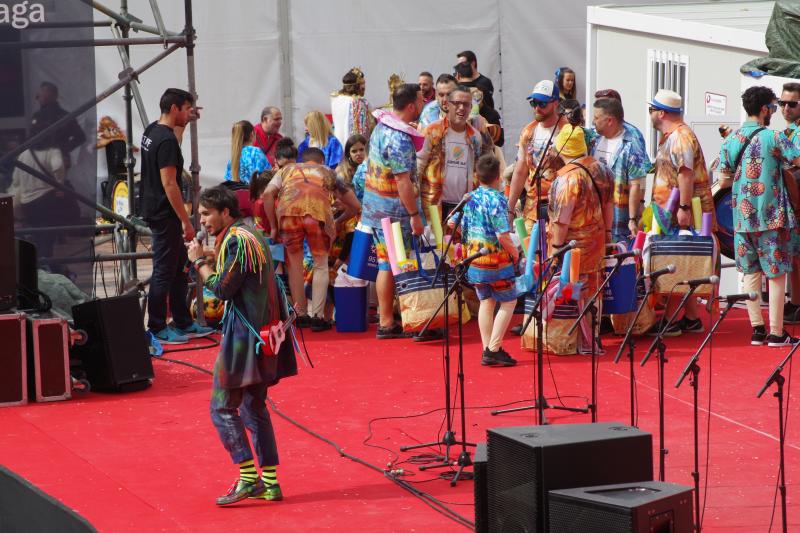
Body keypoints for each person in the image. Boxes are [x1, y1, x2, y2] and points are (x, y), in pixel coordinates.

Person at [187, 186, 297, 506]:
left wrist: (198, 262)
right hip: (265, 334)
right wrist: (211, 257)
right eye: (200, 214)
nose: (203, 220)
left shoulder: (236, 241)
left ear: (226, 212)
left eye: (207, 213)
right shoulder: (252, 234)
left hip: (245, 338)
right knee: (253, 406)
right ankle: (271, 484)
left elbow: (222, 289)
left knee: (222, 407)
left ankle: (249, 478)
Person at [717, 86, 800, 347]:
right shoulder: (774, 137)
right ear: (765, 109)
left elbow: (723, 179)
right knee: (776, 273)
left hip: (742, 217)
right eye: (774, 107)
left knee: (750, 271)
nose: (775, 112)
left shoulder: (730, 140)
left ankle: (757, 330)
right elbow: (796, 160)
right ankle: (776, 332)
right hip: (772, 214)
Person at [139, 88, 212, 344]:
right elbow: (170, 184)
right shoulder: (166, 140)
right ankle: (157, 325)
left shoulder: (153, 130)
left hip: (156, 208)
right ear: (174, 109)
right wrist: (185, 221)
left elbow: (174, 143)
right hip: (165, 213)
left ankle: (182, 321)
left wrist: (188, 121)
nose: (188, 113)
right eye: (185, 109)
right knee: (164, 271)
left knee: (181, 267)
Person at [263, 147, 359, 332]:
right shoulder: (328, 172)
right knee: (321, 264)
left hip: (288, 214)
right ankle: (318, 316)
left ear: (302, 160)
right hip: (318, 214)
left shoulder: (286, 170)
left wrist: (273, 226)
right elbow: (355, 205)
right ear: (321, 161)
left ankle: (301, 314)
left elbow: (267, 194)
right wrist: (338, 221)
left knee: (294, 265)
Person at [648, 89, 715, 336]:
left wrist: (684, 208)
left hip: (680, 211)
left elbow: (685, 174)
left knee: (676, 261)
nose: (651, 115)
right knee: (683, 259)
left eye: (652, 110)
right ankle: (691, 317)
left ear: (662, 113)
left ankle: (671, 320)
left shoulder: (681, 137)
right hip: (670, 210)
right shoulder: (672, 136)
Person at [360, 83, 425, 339]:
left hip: (375, 208)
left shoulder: (381, 127)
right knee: (394, 264)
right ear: (410, 105)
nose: (422, 105)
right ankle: (398, 320)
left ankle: (387, 318)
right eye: (420, 101)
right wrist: (415, 214)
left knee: (386, 264)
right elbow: (402, 180)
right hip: (395, 211)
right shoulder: (399, 137)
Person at [547, 124, 613, 348]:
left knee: (573, 288)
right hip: (597, 239)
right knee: (595, 289)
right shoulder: (601, 169)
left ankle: (573, 340)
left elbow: (561, 219)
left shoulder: (567, 179)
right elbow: (609, 205)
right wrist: (608, 233)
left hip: (573, 245)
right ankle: (592, 338)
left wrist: (556, 246)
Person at [461, 154, 519, 366]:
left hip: (475, 258)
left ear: (477, 176)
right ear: (498, 178)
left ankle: (488, 349)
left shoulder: (470, 198)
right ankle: (493, 347)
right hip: (496, 259)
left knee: (486, 301)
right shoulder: (497, 199)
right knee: (509, 300)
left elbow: (459, 227)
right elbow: (503, 234)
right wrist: (515, 252)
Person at [508, 79, 569, 228]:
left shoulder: (567, 130)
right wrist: (510, 209)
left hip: (560, 205)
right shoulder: (528, 131)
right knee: (529, 249)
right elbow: (520, 171)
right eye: (533, 103)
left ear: (555, 103)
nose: (536, 108)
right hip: (532, 206)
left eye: (542, 104)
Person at [590, 97, 650, 243]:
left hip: (618, 223)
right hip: (593, 219)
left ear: (610, 120)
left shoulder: (630, 144)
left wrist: (632, 218)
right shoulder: (593, 138)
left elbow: (636, 184)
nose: (593, 121)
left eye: (597, 118)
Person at [418, 85, 483, 220]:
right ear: (447, 105)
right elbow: (418, 166)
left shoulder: (475, 136)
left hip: (464, 206)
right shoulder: (432, 131)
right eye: (457, 103)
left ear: (471, 108)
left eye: (466, 104)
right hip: (434, 206)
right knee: (437, 242)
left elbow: (479, 171)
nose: (461, 108)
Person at [10, 115, 66, 259]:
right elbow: (58, 166)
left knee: (37, 237)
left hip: (28, 203)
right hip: (47, 201)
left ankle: (40, 268)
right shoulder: (52, 151)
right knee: (48, 238)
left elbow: (16, 181)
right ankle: (46, 265)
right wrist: (59, 184)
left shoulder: (23, 155)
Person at [779, 82, 800, 323]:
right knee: (793, 257)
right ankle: (794, 301)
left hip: (797, 204)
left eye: (792, 104)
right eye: (782, 103)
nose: (786, 108)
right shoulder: (789, 132)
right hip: (792, 204)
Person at [31, 81, 86, 170]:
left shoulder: (64, 117)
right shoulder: (37, 116)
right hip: (38, 160)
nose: (38, 99)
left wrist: (61, 149)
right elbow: (32, 138)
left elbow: (80, 137)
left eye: (41, 95)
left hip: (57, 160)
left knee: (55, 182)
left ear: (49, 96)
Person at [330, 67, 373, 148]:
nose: (364, 87)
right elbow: (364, 130)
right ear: (356, 86)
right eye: (362, 84)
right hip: (354, 147)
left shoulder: (336, 98)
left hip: (338, 144)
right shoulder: (358, 102)